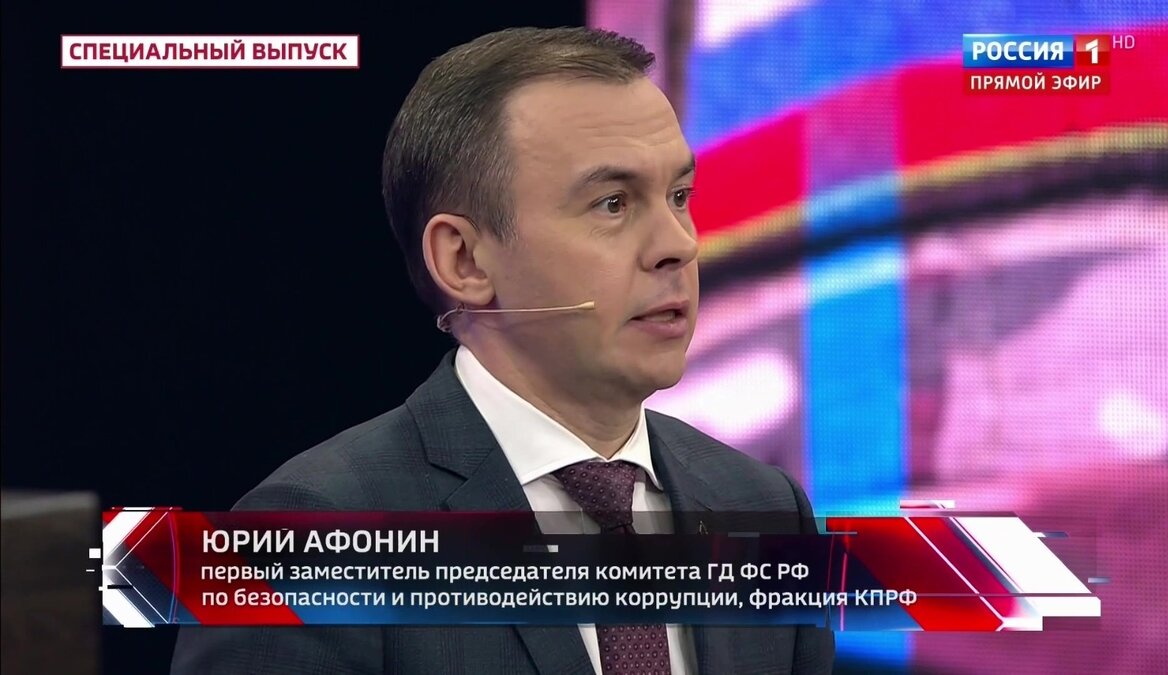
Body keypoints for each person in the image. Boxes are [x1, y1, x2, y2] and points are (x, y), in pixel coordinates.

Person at [172, 26, 834, 675]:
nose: (679, 244)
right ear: (463, 260)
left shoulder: (769, 508)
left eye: (679, 196)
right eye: (612, 203)